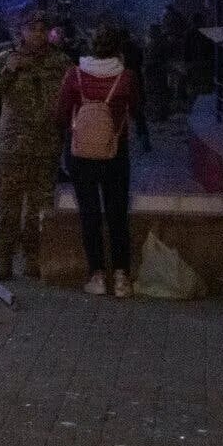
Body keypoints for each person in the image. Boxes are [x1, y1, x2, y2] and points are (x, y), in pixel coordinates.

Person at [0, 11, 69, 281]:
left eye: (42, 29)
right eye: (31, 28)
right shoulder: (3, 59)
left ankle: (34, 259)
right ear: (21, 31)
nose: (38, 34)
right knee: (7, 207)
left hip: (46, 148)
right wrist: (9, 71)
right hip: (12, 148)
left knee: (39, 210)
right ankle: (3, 260)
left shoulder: (61, 62)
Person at [58, 24, 142, 297]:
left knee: (90, 214)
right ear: (119, 48)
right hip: (116, 153)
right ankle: (121, 277)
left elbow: (59, 114)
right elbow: (139, 111)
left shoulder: (74, 75)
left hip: (81, 155)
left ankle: (96, 275)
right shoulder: (126, 77)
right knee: (117, 214)